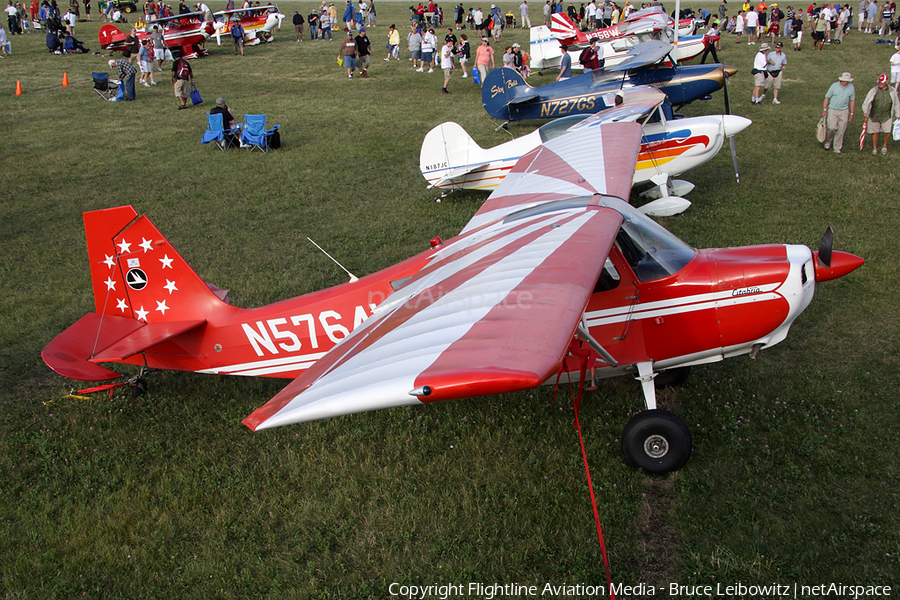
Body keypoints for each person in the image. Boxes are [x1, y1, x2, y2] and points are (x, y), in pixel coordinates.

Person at [862, 74, 900, 153]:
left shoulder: (892, 91)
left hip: (887, 115)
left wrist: (898, 114)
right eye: (879, 82)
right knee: (875, 131)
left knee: (887, 131)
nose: (880, 84)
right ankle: (874, 148)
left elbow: (896, 103)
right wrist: (865, 112)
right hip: (874, 114)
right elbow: (866, 101)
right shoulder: (874, 90)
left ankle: (884, 146)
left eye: (882, 82)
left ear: (886, 82)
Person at [822, 71, 855, 153]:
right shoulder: (834, 86)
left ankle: (837, 147)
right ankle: (828, 141)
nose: (845, 82)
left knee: (841, 130)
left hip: (844, 111)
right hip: (833, 110)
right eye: (844, 81)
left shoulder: (851, 87)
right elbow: (827, 98)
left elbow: (852, 100)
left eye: (847, 81)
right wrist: (824, 109)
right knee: (832, 127)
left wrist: (852, 113)